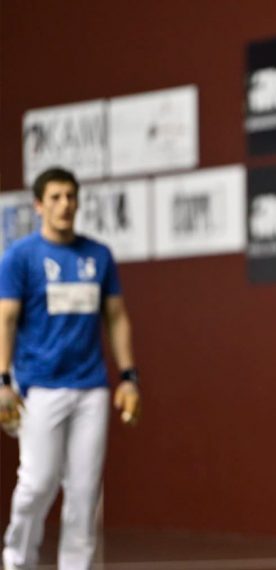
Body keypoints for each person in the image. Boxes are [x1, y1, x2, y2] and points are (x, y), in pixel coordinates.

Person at [0, 167, 142, 570]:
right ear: (40, 205)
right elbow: (5, 319)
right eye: (56, 197)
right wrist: (2, 380)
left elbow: (116, 318)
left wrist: (129, 377)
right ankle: (17, 559)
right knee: (38, 482)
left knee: (83, 492)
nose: (65, 204)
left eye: (71, 196)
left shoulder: (98, 256)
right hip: (39, 387)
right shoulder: (20, 257)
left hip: (91, 388)